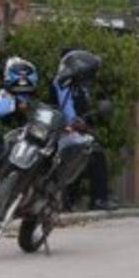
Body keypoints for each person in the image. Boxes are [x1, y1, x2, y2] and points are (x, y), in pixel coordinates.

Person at [52, 49, 118, 211]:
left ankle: (78, 200)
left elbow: (84, 109)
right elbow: (67, 110)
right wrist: (77, 123)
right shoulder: (61, 82)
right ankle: (97, 199)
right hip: (59, 132)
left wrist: (89, 122)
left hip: (76, 132)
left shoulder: (80, 87)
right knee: (92, 154)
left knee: (92, 153)